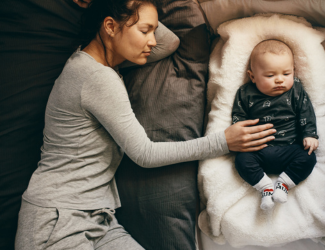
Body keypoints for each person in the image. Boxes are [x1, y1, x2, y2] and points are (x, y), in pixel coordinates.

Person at [14, 0, 276, 249]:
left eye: (153, 29)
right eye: (144, 30)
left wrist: (131, 12)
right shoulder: (95, 77)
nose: (152, 40)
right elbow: (145, 154)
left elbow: (169, 42)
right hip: (58, 220)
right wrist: (223, 141)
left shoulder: (99, 62)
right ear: (109, 26)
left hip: (97, 218)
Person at [232, 40, 319, 210]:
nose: (279, 80)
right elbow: (239, 117)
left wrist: (310, 134)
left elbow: (306, 112)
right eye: (270, 76)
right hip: (258, 149)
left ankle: (283, 185)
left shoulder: (296, 90)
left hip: (290, 148)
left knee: (309, 157)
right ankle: (265, 187)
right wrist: (241, 140)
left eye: (286, 74)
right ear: (252, 77)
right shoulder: (245, 93)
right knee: (241, 161)